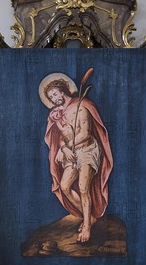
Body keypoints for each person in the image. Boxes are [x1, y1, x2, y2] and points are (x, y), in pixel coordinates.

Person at [40, 73, 113, 243]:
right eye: (51, 97)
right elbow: (61, 136)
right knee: (64, 186)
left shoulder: (82, 106)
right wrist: (63, 148)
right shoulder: (58, 113)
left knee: (82, 187)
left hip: (87, 150)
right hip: (72, 153)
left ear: (63, 91)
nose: (54, 98)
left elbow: (85, 134)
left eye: (55, 94)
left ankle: (87, 226)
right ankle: (91, 217)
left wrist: (67, 147)